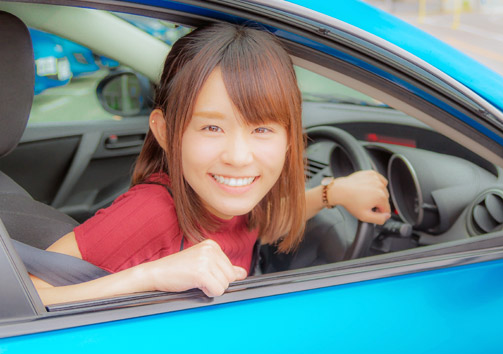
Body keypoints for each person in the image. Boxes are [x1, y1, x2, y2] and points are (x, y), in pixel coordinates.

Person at [30, 23, 391, 305]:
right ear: (166, 131)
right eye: (212, 127)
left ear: (289, 137)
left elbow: (258, 227)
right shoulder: (150, 213)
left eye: (262, 129)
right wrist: (150, 276)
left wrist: (333, 192)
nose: (237, 156)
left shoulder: (228, 196)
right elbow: (24, 295)